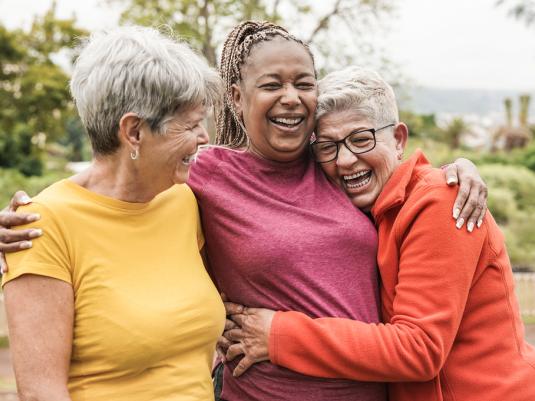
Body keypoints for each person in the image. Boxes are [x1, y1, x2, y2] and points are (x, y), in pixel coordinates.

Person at [0, 21, 488, 401]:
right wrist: (22, 215)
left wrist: (457, 170)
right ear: (236, 97)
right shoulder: (203, 178)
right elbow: (107, 190)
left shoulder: (333, 164)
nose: (291, 97)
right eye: (271, 84)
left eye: (304, 83)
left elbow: (389, 167)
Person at [220, 66, 535, 401]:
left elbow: (419, 349)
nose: (345, 160)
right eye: (328, 146)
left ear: (398, 139)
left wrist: (279, 335)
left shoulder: (441, 202)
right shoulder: (362, 210)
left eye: (361, 139)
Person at [1, 26, 225, 401]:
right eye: (190, 125)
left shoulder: (185, 200)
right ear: (134, 131)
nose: (204, 138)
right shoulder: (41, 226)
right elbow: (43, 393)